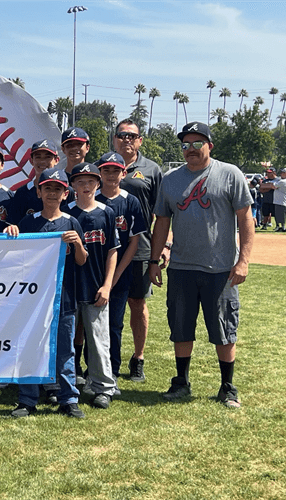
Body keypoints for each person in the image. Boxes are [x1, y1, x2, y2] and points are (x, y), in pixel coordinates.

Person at [149, 121, 254, 409]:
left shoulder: (229, 174)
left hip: (220, 269)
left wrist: (243, 260)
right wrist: (154, 260)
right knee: (181, 327)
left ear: (209, 145)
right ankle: (181, 381)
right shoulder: (171, 179)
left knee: (223, 329)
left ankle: (227, 387)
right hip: (182, 267)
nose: (191, 150)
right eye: (185, 145)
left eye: (197, 144)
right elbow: (162, 222)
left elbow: (246, 218)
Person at [12, 168, 88, 419]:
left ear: (66, 194)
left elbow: (81, 261)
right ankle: (27, 398)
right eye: (47, 188)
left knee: (65, 350)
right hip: (33, 298)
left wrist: (77, 243)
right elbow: (18, 259)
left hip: (63, 298)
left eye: (57, 189)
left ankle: (68, 398)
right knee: (30, 347)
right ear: (39, 192)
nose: (52, 193)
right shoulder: (29, 222)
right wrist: (12, 233)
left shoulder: (71, 222)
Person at [65, 163, 119, 409]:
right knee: (66, 338)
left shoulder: (106, 212)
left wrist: (107, 285)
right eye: (80, 181)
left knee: (98, 339)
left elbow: (112, 252)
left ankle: (102, 386)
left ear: (98, 184)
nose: (85, 186)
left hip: (96, 284)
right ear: (72, 185)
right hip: (69, 287)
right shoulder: (65, 213)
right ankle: (62, 384)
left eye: (90, 181)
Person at [114, 119, 164, 383]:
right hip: (105, 246)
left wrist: (163, 247)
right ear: (114, 139)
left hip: (141, 247)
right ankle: (106, 359)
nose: (127, 140)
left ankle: (138, 358)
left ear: (140, 140)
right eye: (122, 135)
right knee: (102, 304)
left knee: (137, 303)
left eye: (132, 136)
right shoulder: (104, 164)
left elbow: (164, 213)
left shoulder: (151, 170)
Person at [94, 152, 146, 385]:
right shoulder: (92, 198)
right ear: (100, 173)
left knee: (114, 323)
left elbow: (134, 242)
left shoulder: (130, 201)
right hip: (93, 272)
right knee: (92, 324)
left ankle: (112, 368)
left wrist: (114, 276)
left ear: (123, 173)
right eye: (106, 170)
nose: (111, 175)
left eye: (116, 170)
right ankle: (91, 368)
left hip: (121, 273)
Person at [11, 140, 61, 220]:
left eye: (48, 157)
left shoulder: (65, 191)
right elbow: (15, 226)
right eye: (38, 157)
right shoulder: (22, 193)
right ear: (31, 161)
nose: (42, 161)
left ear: (57, 160)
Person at [271, 167, 286, 232]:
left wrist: (273, 185)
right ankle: (278, 226)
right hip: (278, 200)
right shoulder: (281, 180)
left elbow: (274, 186)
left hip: (283, 200)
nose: (281, 174)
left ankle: (283, 227)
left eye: (283, 173)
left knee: (282, 214)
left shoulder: (285, 181)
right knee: (277, 214)